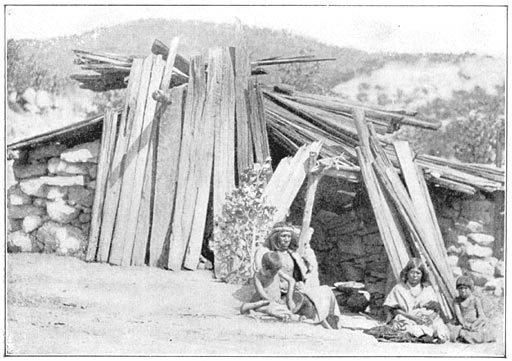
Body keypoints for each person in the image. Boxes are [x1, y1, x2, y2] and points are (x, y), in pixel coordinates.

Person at [383, 258, 449, 342]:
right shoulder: (399, 288)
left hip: (425, 319)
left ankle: (430, 335)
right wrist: (414, 318)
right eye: (412, 272)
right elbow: (394, 310)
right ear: (407, 273)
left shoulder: (428, 289)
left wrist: (430, 318)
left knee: (439, 326)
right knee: (402, 323)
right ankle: (423, 335)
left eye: (418, 273)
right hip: (407, 317)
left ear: (422, 275)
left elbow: (436, 309)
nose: (415, 276)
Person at [240, 252, 301, 321]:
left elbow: (291, 281)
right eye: (272, 272)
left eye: (276, 272)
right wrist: (272, 301)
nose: (274, 274)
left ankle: (288, 315)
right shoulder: (258, 276)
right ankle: (287, 316)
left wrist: (289, 299)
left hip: (276, 302)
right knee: (271, 309)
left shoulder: (276, 271)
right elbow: (261, 293)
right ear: (264, 267)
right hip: (263, 303)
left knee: (289, 306)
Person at [448, 276, 495, 343]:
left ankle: (472, 337)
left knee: (484, 330)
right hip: (463, 325)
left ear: (471, 289)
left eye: (465, 288)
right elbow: (459, 315)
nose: (463, 291)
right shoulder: (457, 301)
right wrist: (464, 324)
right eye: (460, 288)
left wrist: (474, 325)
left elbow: (481, 316)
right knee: (455, 330)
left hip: (475, 324)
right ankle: (466, 337)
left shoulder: (475, 300)